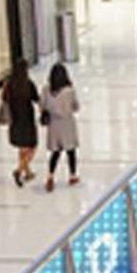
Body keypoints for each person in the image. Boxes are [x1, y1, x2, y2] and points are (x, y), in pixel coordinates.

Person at [0, 59, 41, 187]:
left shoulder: (9, 85)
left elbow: (3, 98)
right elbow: (37, 99)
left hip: (15, 120)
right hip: (27, 119)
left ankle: (27, 173)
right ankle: (19, 170)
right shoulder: (28, 84)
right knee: (32, 146)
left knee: (22, 148)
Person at [43, 63, 82, 191]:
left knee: (56, 152)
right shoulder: (69, 91)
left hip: (54, 125)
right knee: (71, 151)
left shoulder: (46, 89)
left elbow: (42, 105)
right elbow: (75, 106)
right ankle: (72, 176)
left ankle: (50, 176)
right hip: (67, 124)